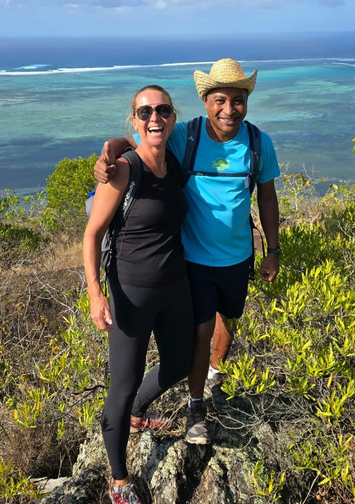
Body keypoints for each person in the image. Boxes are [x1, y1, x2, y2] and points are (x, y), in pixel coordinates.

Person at [94, 58, 281, 446]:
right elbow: (141, 139)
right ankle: (197, 408)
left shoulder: (260, 143)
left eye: (237, 100)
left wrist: (273, 249)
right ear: (205, 100)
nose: (228, 109)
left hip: (239, 258)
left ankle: (214, 373)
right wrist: (108, 150)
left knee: (228, 321)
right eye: (219, 100)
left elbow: (267, 196)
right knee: (200, 333)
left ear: (247, 101)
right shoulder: (187, 135)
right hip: (192, 261)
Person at [83, 84, 194, 504]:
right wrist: (96, 294)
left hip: (174, 285)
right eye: (145, 112)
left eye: (163, 110)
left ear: (172, 117)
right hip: (131, 290)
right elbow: (92, 235)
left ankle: (136, 414)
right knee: (123, 384)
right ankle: (118, 478)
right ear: (134, 118)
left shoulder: (174, 164)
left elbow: (128, 139)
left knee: (181, 361)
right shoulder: (125, 170)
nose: (155, 118)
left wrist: (115, 142)